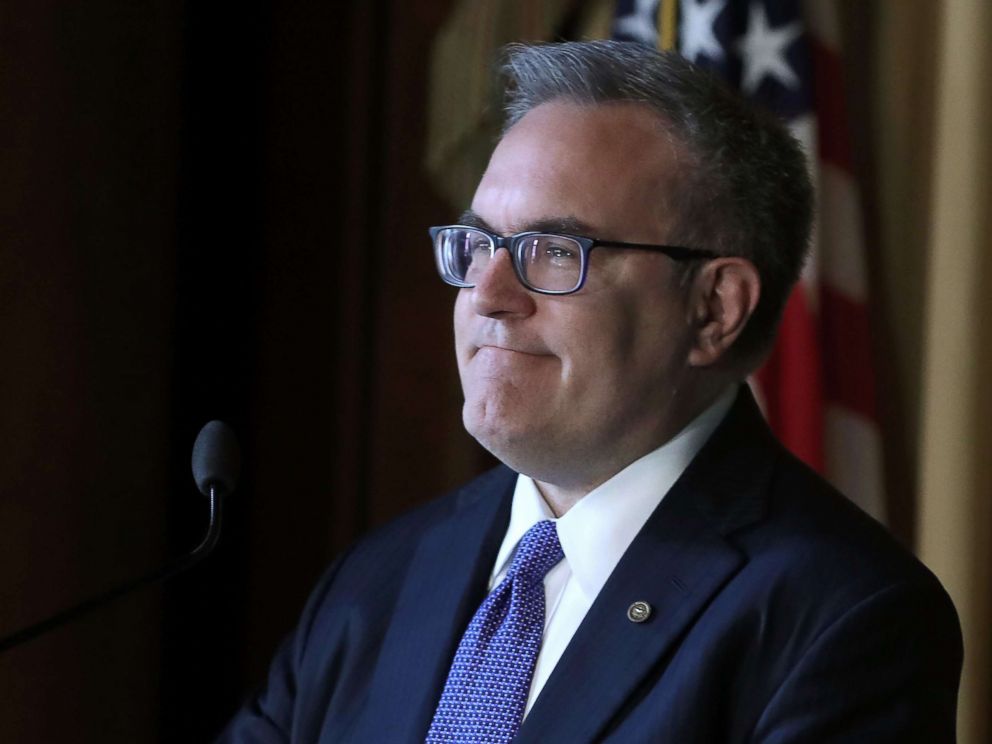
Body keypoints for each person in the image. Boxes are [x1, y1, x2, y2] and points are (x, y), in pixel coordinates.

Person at [217, 40, 961, 743]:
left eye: (552, 251)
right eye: (479, 245)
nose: (488, 293)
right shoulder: (380, 576)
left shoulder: (842, 616)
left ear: (713, 308)